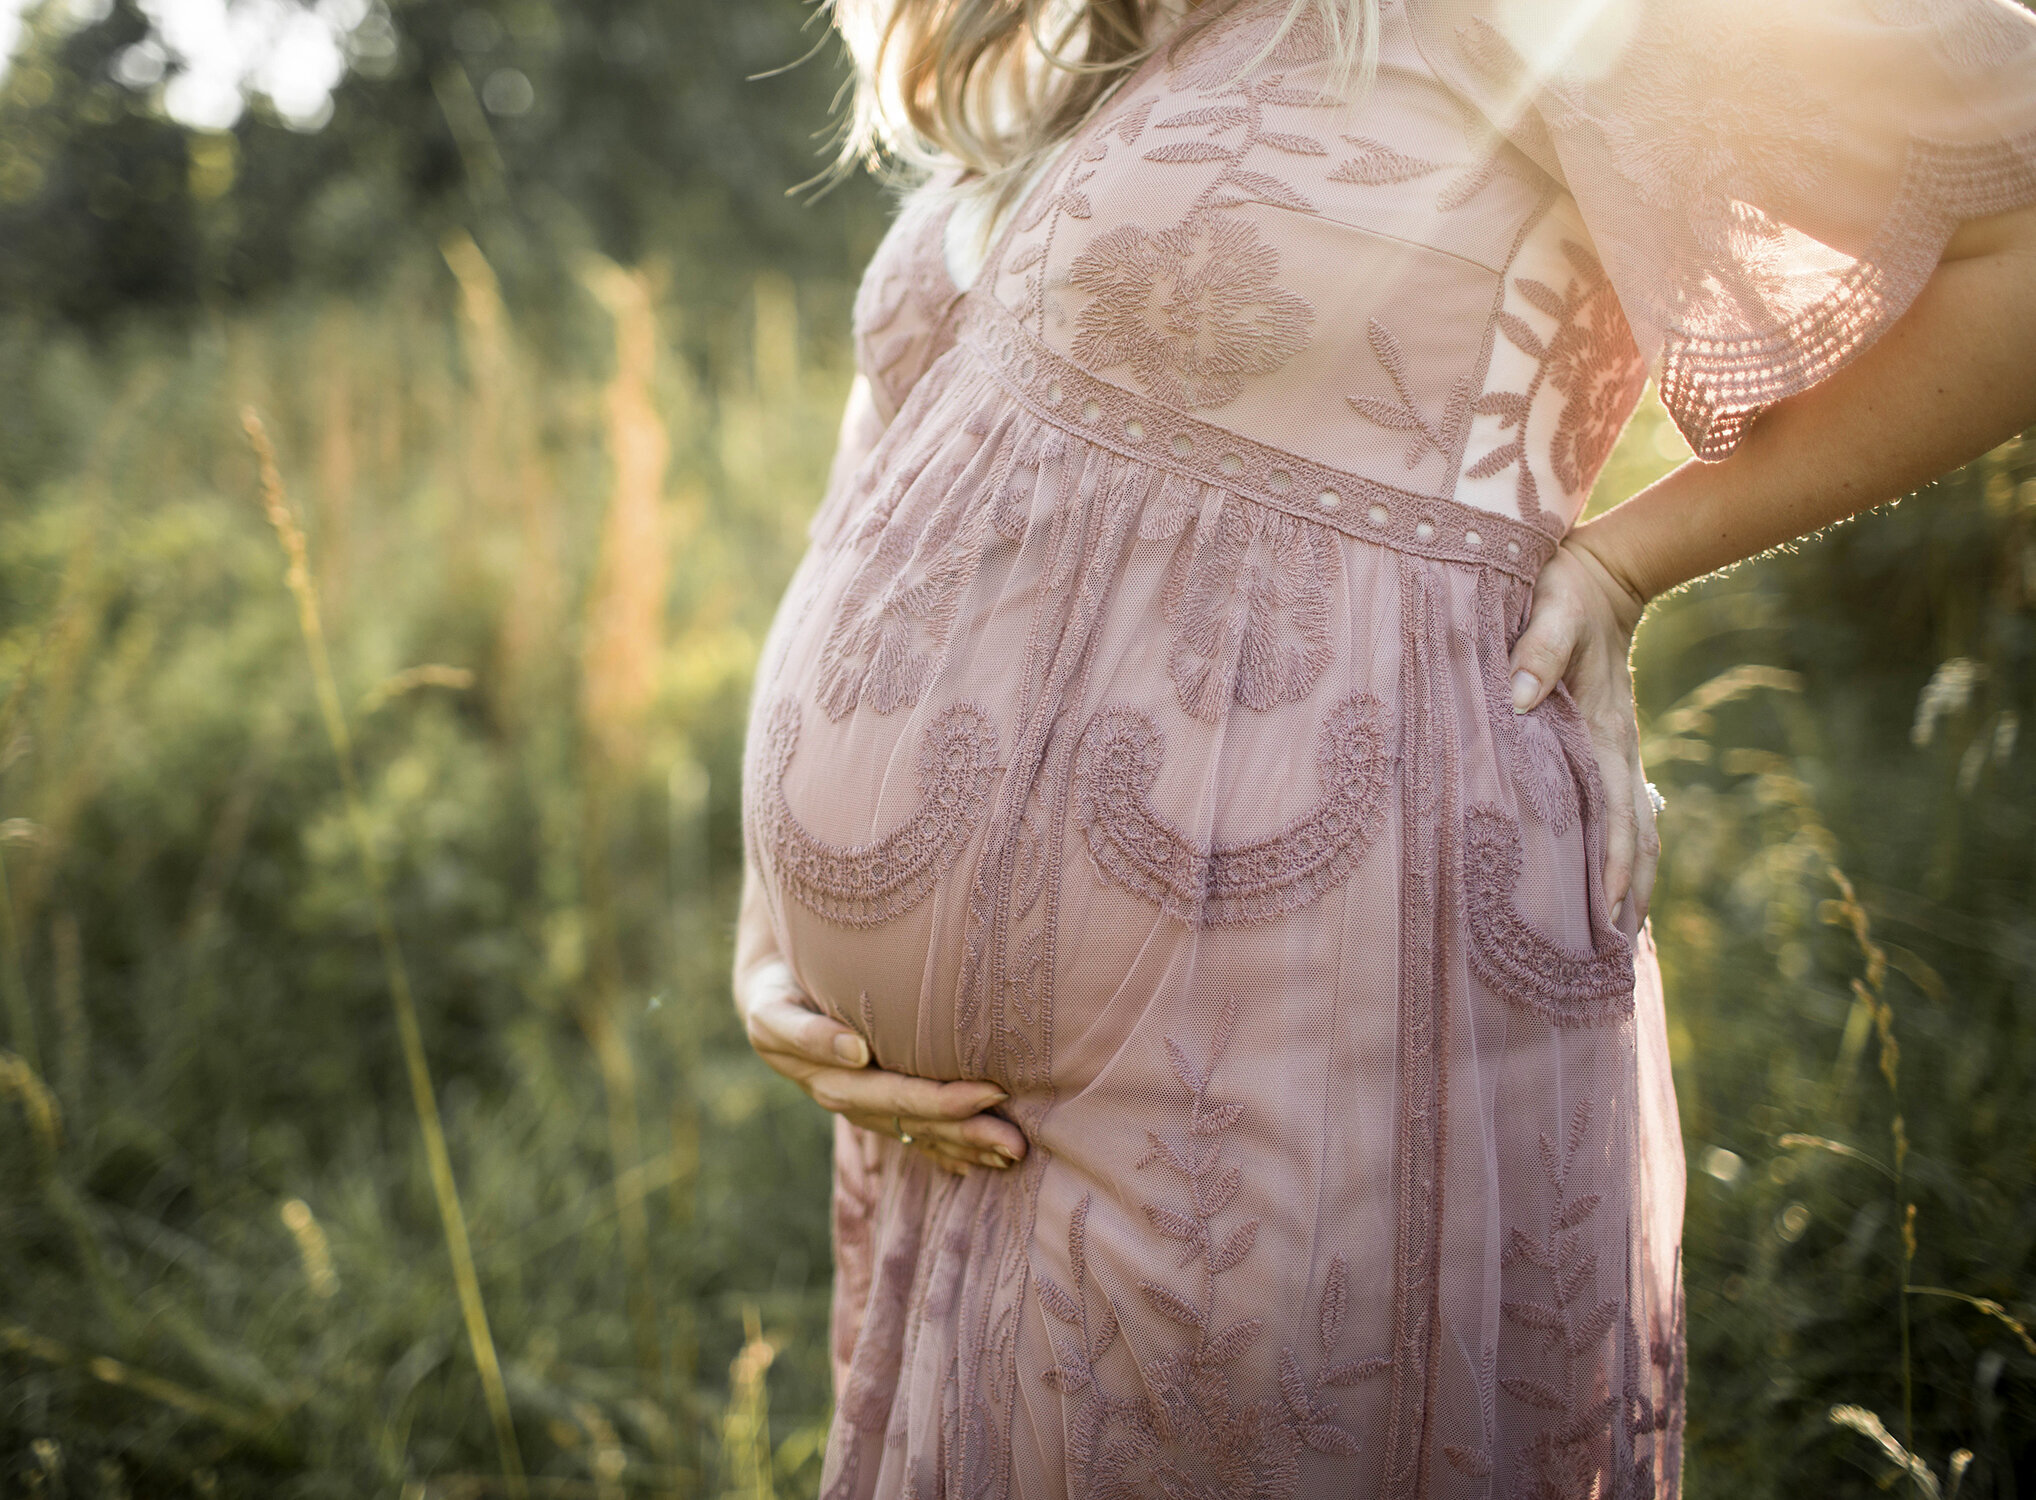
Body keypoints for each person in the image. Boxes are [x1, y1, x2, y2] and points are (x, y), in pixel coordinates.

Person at [732, 0, 2036, 1492]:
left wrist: (1625, 565)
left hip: (1294, 1003)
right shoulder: (1059, 61)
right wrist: (768, 932)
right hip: (935, 1135)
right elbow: (873, 494)